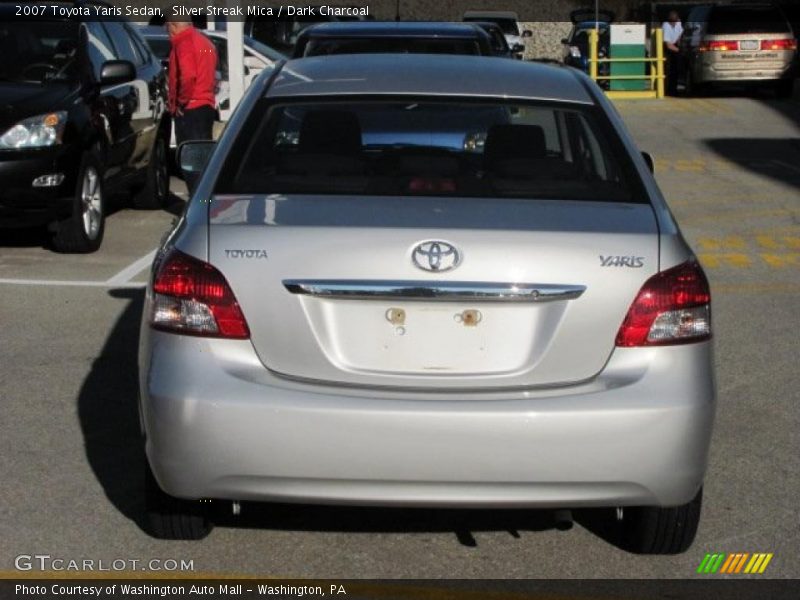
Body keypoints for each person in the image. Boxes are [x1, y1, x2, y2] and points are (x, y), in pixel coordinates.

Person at [165, 11, 217, 144]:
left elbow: (188, 76)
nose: (167, 31)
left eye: (167, 26)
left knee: (188, 155)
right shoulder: (205, 42)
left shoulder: (184, 43)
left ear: (173, 25)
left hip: (191, 109)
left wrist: (181, 103)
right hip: (206, 105)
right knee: (202, 152)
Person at [662, 10, 683, 96]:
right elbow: (668, 45)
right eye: (672, 22)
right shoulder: (666, 26)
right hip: (667, 48)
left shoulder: (678, 23)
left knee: (676, 70)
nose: (674, 23)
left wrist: (680, 43)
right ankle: (668, 90)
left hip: (675, 46)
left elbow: (680, 34)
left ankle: (674, 89)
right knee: (669, 70)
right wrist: (680, 51)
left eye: (675, 21)